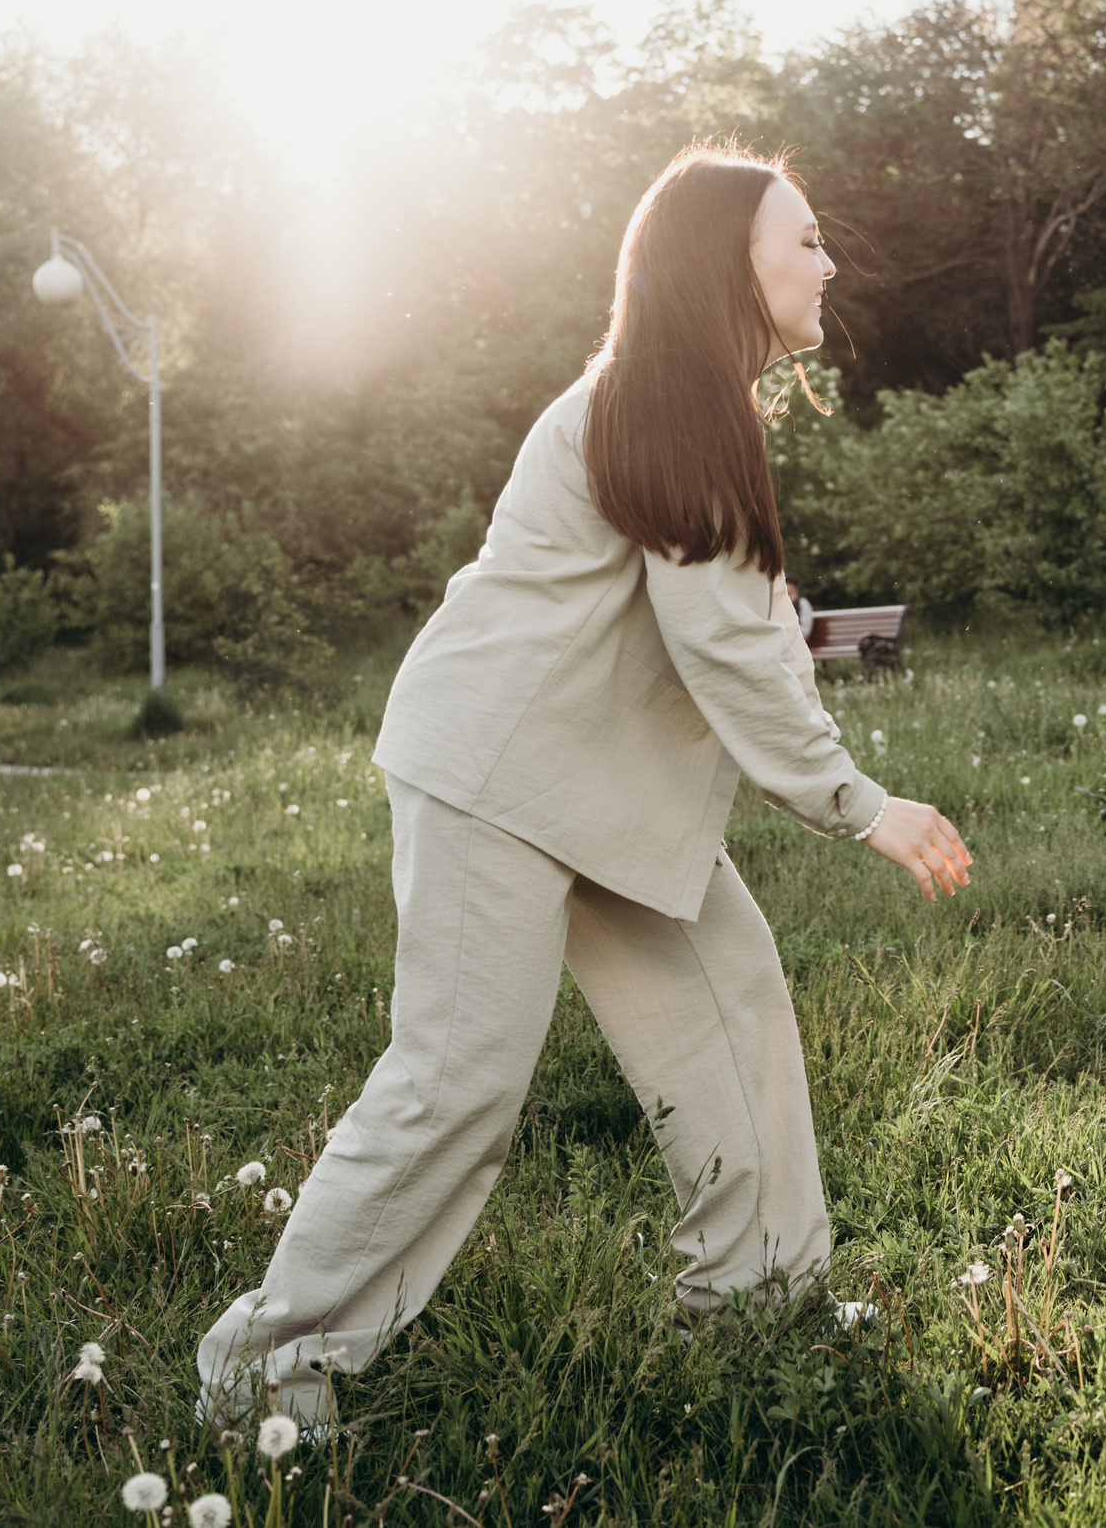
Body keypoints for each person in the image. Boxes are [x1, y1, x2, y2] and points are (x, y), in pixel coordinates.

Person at [198, 142, 974, 1427]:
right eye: (806, 239)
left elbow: (721, 612)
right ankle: (263, 1371)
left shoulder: (691, 401)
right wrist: (859, 804)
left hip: (604, 788)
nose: (829, 263)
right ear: (730, 263)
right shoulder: (664, 400)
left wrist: (775, 619)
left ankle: (757, 1305)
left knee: (734, 1003)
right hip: (496, 774)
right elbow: (721, 642)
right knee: (458, 1080)